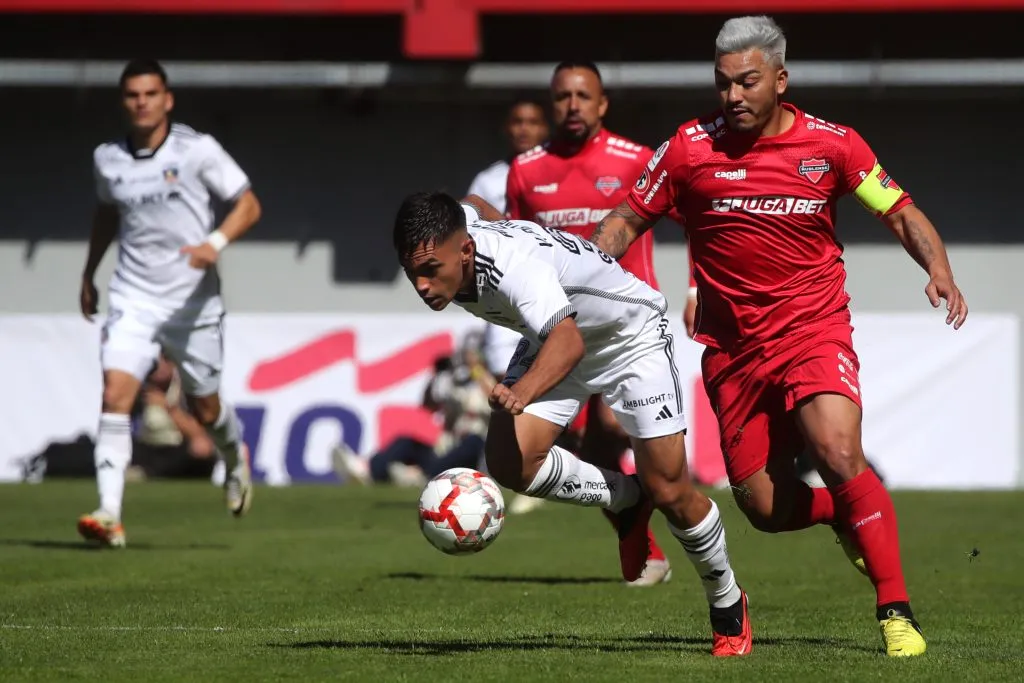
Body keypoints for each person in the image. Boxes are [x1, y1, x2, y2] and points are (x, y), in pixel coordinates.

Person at [590, 16, 968, 657]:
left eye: (747, 82)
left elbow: (898, 210)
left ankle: (895, 609)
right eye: (722, 84)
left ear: (780, 80)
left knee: (838, 450)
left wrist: (938, 269)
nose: (733, 96)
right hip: (734, 353)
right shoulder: (687, 147)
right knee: (763, 509)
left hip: (813, 329)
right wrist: (588, 267)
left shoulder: (835, 145)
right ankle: (844, 515)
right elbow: (627, 219)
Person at [393, 191, 753, 657]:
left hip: (629, 337)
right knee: (509, 462)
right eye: (411, 272)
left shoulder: (516, 271)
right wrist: (507, 227)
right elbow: (473, 204)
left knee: (670, 490)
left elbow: (568, 346)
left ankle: (727, 602)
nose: (421, 285)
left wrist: (521, 393)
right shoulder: (456, 235)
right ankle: (626, 501)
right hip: (558, 331)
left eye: (429, 270)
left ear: (465, 251)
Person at [79, 58, 262, 547]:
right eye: (132, 95)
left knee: (205, 408)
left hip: (193, 304)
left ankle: (233, 458)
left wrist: (214, 244)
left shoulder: (197, 150)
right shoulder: (108, 158)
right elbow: (106, 214)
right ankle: (109, 513)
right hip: (132, 296)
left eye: (150, 93)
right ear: (124, 101)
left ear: (167, 99)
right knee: (115, 393)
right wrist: (89, 272)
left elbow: (248, 204)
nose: (141, 102)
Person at [504, 60, 671, 586]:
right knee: (569, 447)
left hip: (626, 327)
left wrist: (693, 291)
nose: (572, 105)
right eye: (562, 97)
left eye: (583, 96)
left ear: (602, 104)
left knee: (611, 430)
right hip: (558, 327)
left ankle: (650, 524)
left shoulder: (635, 160)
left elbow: (693, 221)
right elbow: (513, 251)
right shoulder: (526, 170)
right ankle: (638, 533)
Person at [466, 97, 549, 215]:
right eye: (517, 122)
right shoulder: (486, 181)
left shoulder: (560, 174)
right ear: (506, 128)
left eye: (533, 122)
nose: (524, 129)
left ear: (545, 129)